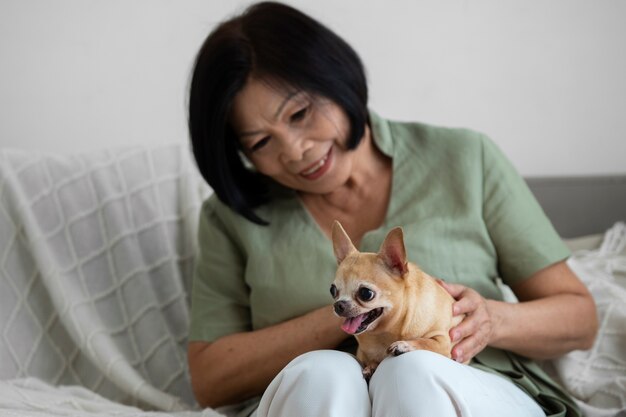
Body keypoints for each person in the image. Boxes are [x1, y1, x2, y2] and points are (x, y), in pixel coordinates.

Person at [186, 2, 598, 416]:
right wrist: (355, 311)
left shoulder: (464, 159)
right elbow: (210, 379)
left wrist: (490, 319)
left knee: (412, 369)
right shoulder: (229, 219)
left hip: (470, 386)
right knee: (319, 373)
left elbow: (579, 319)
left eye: (300, 113)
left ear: (335, 76)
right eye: (260, 143)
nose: (295, 151)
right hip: (307, 399)